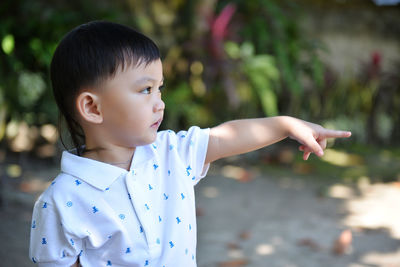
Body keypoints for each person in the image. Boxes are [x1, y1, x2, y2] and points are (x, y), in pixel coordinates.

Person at [29, 21, 351, 267]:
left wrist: (286, 125)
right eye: (145, 90)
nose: (159, 103)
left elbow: (229, 135)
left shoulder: (171, 153)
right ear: (92, 108)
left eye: (160, 89)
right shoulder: (61, 201)